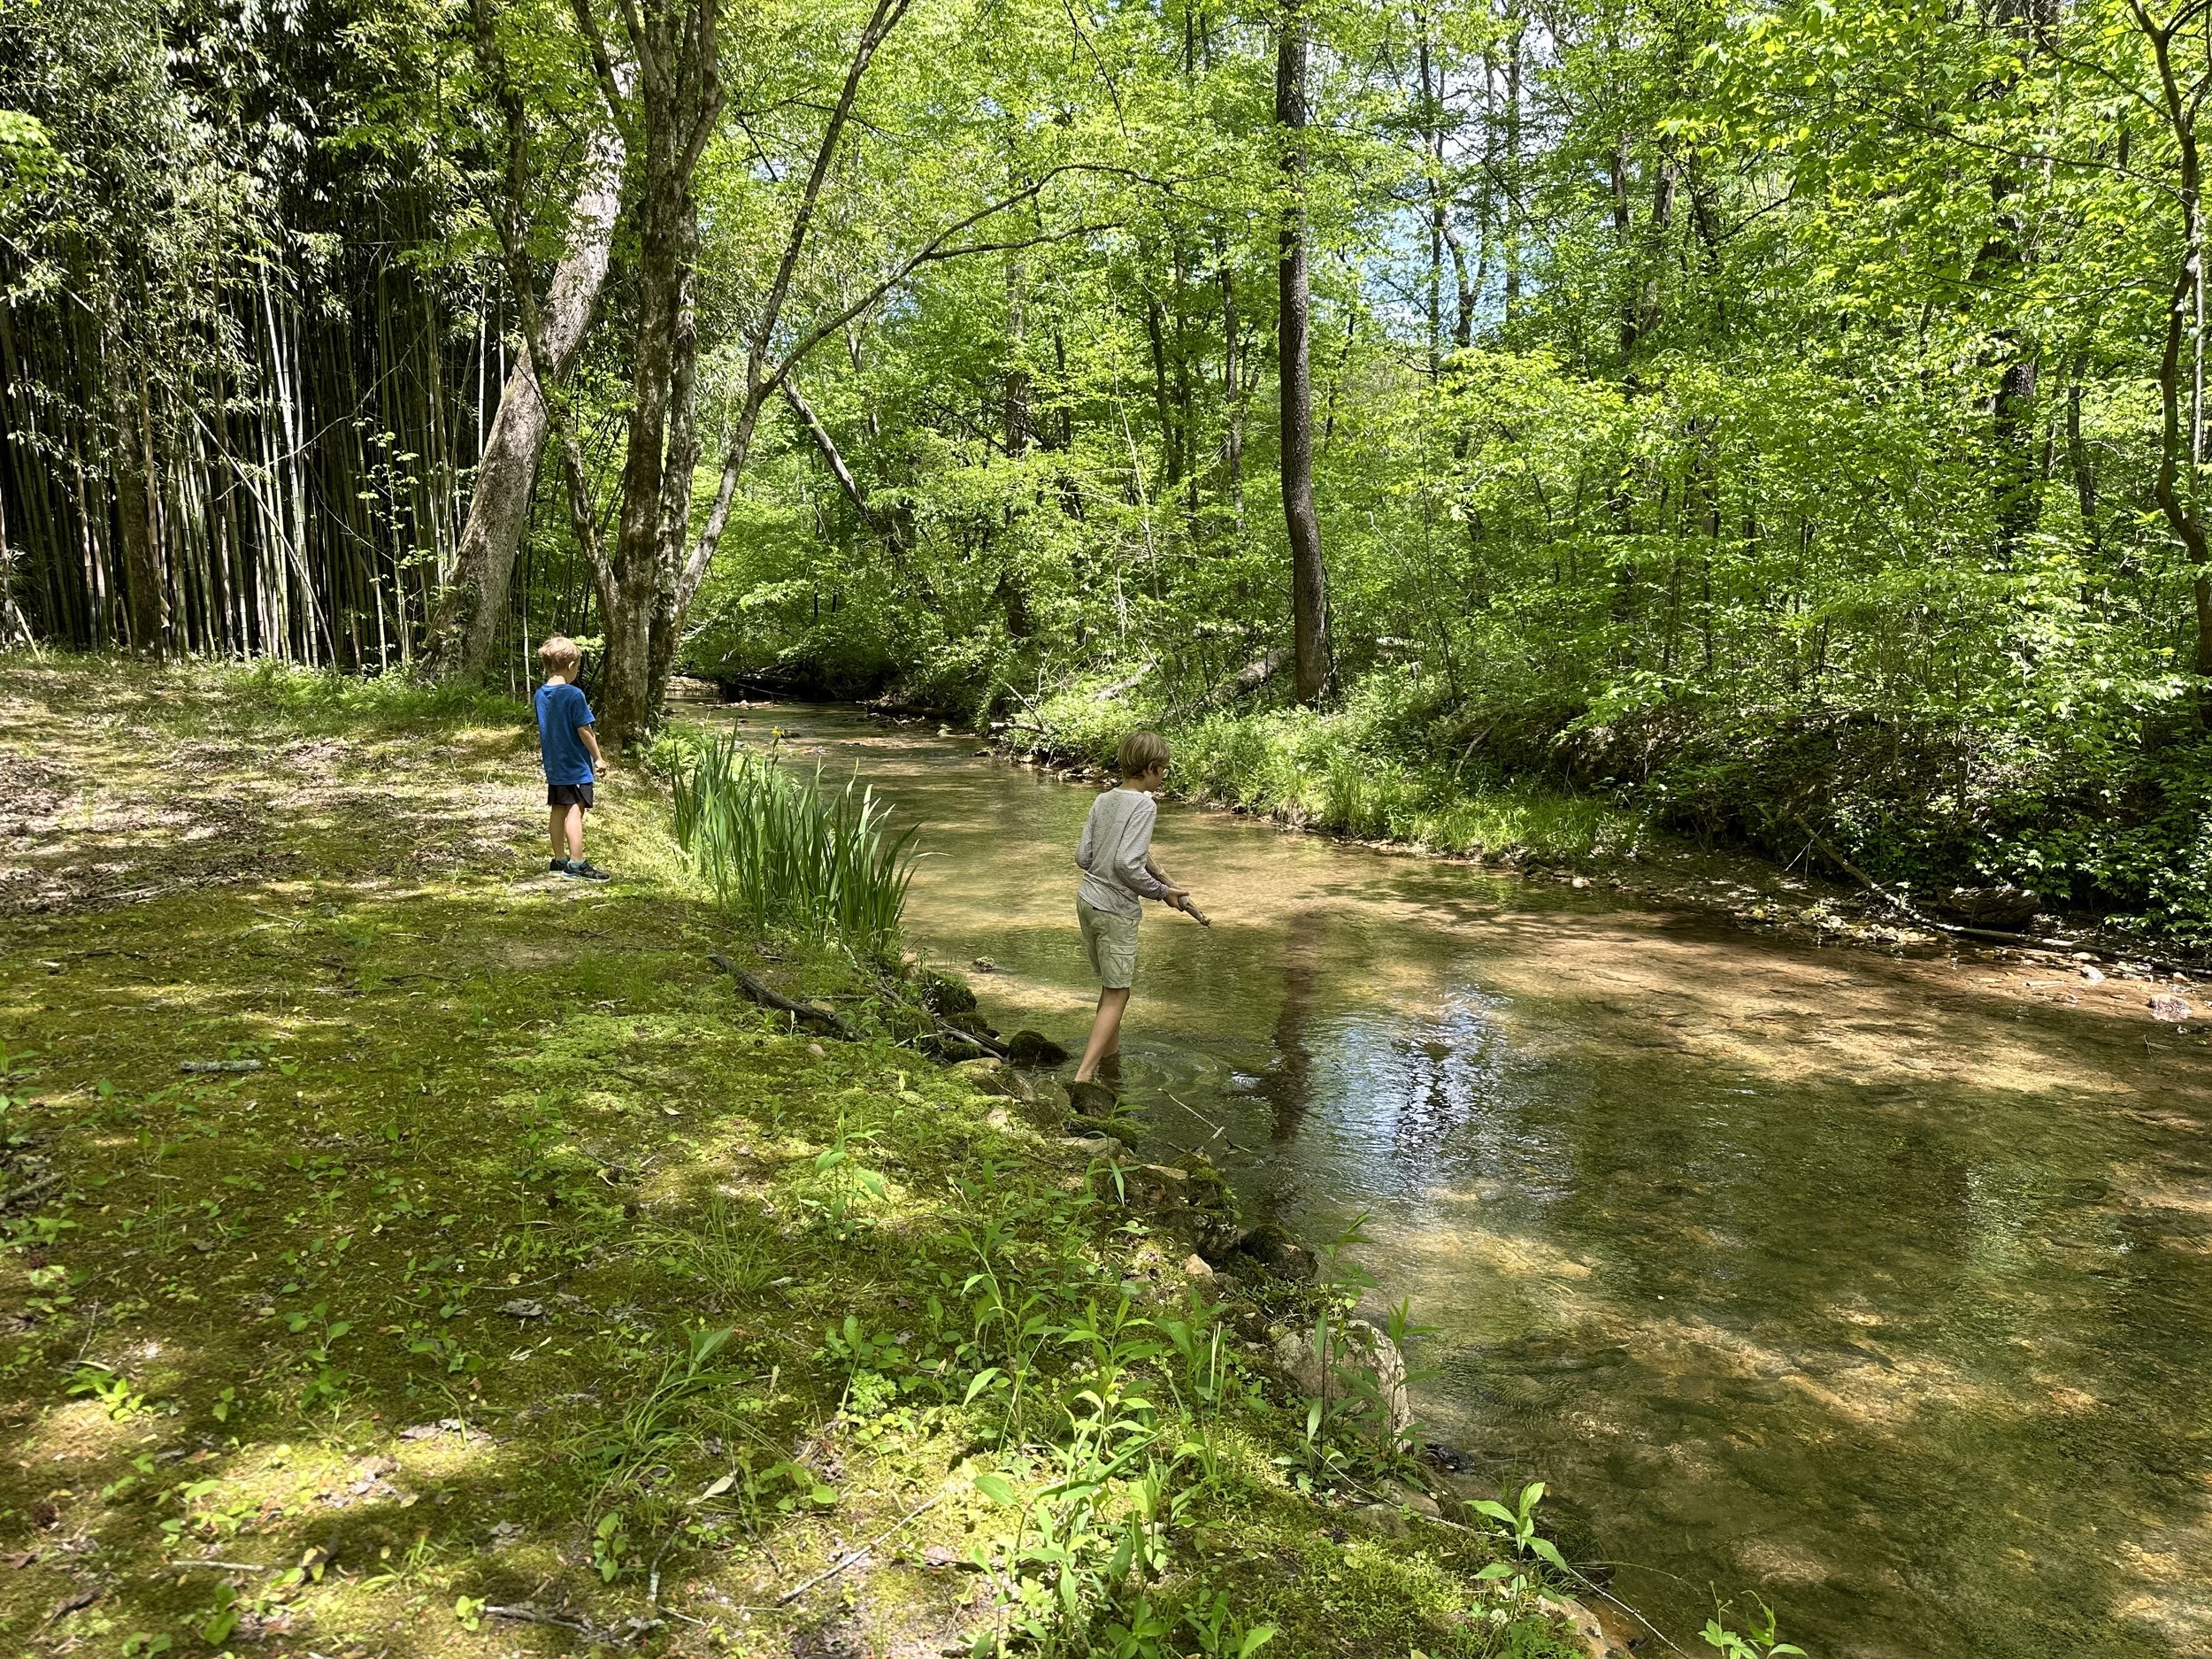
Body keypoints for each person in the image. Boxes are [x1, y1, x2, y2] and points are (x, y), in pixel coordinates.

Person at [1071, 730, 1207, 1086]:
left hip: (1087, 902)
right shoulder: (1145, 805)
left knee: (1109, 988)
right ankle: (1083, 1078)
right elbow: (1127, 865)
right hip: (1115, 911)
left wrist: (1160, 880)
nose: (1163, 777)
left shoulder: (1103, 800)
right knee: (1119, 992)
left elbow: (1083, 856)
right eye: (1163, 770)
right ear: (1149, 769)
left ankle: (1109, 1067)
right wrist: (1163, 891)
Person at [535, 635, 611, 881]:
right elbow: (584, 730)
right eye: (577, 666)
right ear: (570, 666)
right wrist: (598, 758)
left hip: (554, 764)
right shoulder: (574, 694)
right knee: (575, 811)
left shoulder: (541, 694)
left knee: (558, 809)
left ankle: (559, 859)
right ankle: (577, 864)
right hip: (575, 766)